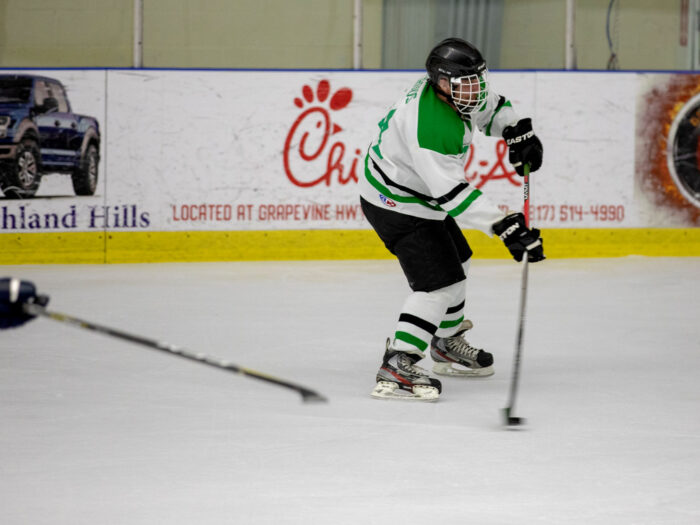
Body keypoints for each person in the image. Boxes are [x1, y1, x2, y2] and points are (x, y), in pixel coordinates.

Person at [359, 37, 545, 401]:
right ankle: (398, 360)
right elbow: (453, 194)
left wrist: (515, 130)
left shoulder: (456, 94)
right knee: (438, 284)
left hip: (419, 197)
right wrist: (504, 225)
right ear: (441, 83)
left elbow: (489, 108)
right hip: (396, 203)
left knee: (458, 260)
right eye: (466, 83)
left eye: (477, 79)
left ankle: (445, 342)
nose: (475, 89)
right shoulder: (431, 127)